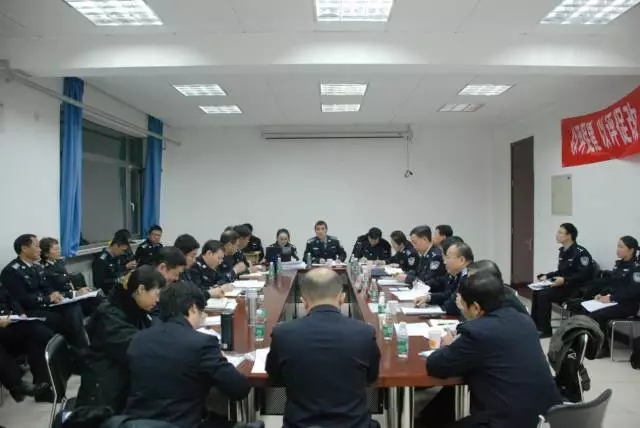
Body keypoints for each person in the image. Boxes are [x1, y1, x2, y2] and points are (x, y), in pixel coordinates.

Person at [421, 271, 563, 428]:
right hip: (549, 418)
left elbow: (435, 365)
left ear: (476, 307)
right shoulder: (523, 320)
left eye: (463, 305)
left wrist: (450, 346)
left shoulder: (477, 333)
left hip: (506, 421)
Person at [125, 281, 251, 428]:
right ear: (193, 308)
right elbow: (239, 389)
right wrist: (222, 359)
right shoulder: (202, 344)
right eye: (201, 312)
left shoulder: (138, 339)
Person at [266, 268, 380, 428]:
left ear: (303, 301)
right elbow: (372, 377)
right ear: (342, 298)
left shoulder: (283, 334)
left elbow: (275, 376)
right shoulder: (365, 333)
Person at [77, 266, 163, 412]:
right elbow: (135, 348)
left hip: (121, 375)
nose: (158, 300)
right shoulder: (110, 315)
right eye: (156, 294)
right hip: (107, 390)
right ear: (141, 289)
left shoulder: (133, 307)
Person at [1, 234, 89, 349]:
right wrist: (48, 298)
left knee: (73, 307)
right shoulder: (12, 271)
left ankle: (80, 347)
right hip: (30, 310)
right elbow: (21, 299)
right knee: (58, 319)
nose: (40, 250)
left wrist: (54, 294)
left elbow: (46, 287)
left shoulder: (36, 267)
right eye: (37, 246)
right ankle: (70, 350)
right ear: (24, 248)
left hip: (44, 304)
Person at [531, 223, 594, 338]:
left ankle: (545, 329)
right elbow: (561, 271)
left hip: (574, 289)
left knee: (544, 295)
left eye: (560, 232)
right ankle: (535, 325)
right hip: (563, 285)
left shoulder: (581, 253)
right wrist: (547, 276)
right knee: (537, 290)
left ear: (569, 236)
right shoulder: (563, 251)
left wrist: (565, 280)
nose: (557, 235)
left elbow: (584, 275)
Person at [586, 236, 640, 356]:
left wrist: (611, 298)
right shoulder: (619, 265)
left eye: (621, 247)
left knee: (598, 315)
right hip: (615, 301)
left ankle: (603, 348)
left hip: (628, 305)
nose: (617, 249)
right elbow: (613, 284)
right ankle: (591, 343)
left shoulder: (636, 267)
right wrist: (602, 294)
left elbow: (634, 291)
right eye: (618, 246)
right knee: (587, 309)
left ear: (631, 250)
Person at [0, 284, 54, 402]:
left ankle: (43, 388)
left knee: (36, 335)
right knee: (36, 331)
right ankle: (17, 384)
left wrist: (21, 313)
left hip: (8, 324)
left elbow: (11, 299)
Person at [40, 237, 98, 316]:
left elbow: (67, 281)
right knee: (81, 306)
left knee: (97, 298)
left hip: (70, 296)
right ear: (46, 254)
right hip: (60, 300)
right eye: (55, 249)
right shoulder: (43, 269)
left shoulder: (59, 262)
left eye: (59, 249)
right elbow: (51, 291)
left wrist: (78, 291)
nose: (59, 251)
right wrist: (75, 294)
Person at [414, 242, 473, 316]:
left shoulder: (470, 277)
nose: (444, 262)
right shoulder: (460, 273)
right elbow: (448, 295)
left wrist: (433, 311)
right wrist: (429, 298)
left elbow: (453, 306)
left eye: (448, 257)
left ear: (462, 260)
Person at [395, 226, 447, 291]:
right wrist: (405, 274)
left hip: (430, 293)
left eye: (415, 242)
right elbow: (418, 272)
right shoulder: (425, 253)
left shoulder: (436, 256)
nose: (413, 246)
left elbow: (427, 281)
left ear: (425, 239)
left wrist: (408, 278)